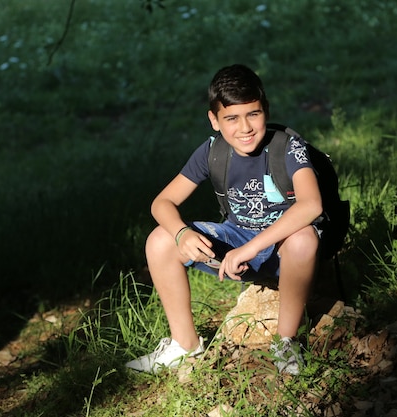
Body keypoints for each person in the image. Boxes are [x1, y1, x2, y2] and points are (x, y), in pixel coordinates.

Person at [125, 64, 322, 375]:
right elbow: (161, 203)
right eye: (231, 118)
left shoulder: (288, 147)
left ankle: (287, 342)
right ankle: (185, 344)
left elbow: (311, 206)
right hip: (236, 244)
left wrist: (248, 249)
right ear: (214, 120)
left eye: (253, 114)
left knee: (304, 238)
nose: (244, 127)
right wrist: (181, 234)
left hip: (283, 250)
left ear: (265, 111)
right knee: (160, 240)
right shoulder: (212, 152)